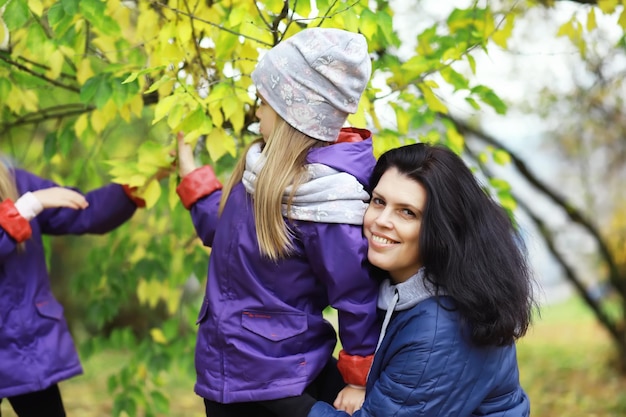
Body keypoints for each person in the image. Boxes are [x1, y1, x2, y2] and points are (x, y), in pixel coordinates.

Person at [176, 28, 380, 417]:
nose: (256, 113)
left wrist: (358, 375)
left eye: (264, 103)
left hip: (279, 375)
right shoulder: (259, 173)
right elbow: (225, 236)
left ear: (291, 113)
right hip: (224, 371)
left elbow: (355, 293)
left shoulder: (327, 201)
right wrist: (194, 180)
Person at [307, 142, 536, 417]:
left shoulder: (442, 329)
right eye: (379, 202)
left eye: (407, 212)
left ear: (442, 228)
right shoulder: (393, 287)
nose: (381, 220)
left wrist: (289, 407)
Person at [0, 159, 145, 417]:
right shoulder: (28, 197)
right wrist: (27, 207)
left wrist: (140, 179)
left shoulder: (15, 181)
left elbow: (85, 212)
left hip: (25, 346)